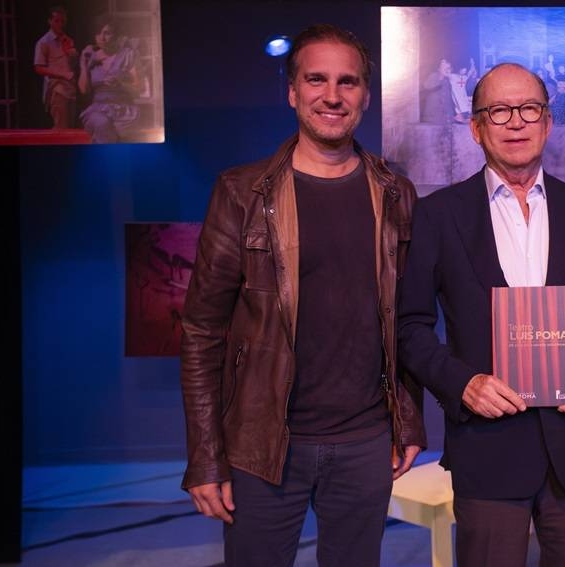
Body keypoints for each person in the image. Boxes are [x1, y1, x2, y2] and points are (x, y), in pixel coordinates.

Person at [180, 24, 425, 567]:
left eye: (348, 81)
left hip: (365, 444)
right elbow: (202, 332)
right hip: (263, 444)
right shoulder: (241, 192)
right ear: (293, 92)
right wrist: (205, 457)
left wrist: (407, 419)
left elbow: (406, 320)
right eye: (316, 79)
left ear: (365, 94)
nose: (332, 95)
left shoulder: (395, 193)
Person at [397, 62, 565, 567]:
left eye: (529, 109)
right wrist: (462, 384)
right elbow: (409, 327)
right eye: (499, 111)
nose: (516, 122)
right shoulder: (439, 215)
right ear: (476, 127)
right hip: (488, 450)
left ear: (548, 122)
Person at [77, 15, 140, 143]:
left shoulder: (127, 55)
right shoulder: (90, 57)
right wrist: (83, 65)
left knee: (117, 131)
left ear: (115, 34)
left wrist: (120, 83)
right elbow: (84, 90)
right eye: (98, 33)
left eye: (107, 33)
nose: (102, 38)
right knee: (102, 123)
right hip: (97, 111)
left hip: (123, 112)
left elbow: (138, 88)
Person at [33, 5, 78, 129]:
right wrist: (62, 74)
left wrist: (73, 56)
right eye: (57, 21)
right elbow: (38, 68)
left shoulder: (68, 40)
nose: (60, 24)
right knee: (61, 129)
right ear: (50, 21)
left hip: (71, 89)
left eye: (63, 21)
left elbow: (72, 67)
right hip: (57, 90)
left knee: (71, 129)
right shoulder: (44, 42)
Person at [421, 58, 455, 124]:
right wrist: (441, 77)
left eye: (448, 67)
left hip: (446, 118)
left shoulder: (450, 79)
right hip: (433, 118)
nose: (446, 69)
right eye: (443, 66)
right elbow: (426, 86)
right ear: (438, 68)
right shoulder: (433, 76)